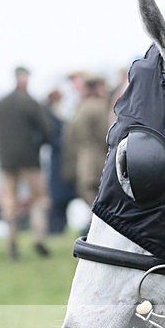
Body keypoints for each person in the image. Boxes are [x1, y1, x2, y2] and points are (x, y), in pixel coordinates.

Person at [0, 65, 52, 259]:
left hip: (6, 160)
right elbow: (47, 131)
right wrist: (38, 145)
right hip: (30, 159)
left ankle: (11, 243)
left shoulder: (0, 104)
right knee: (38, 199)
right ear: (26, 79)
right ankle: (38, 238)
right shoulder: (31, 102)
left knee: (9, 202)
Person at [62, 75, 109, 231]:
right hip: (98, 159)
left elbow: (70, 137)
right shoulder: (99, 106)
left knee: (90, 197)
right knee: (102, 202)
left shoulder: (79, 107)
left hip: (82, 162)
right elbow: (107, 134)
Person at [43, 88, 76, 234]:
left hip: (63, 161)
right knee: (58, 198)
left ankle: (59, 228)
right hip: (58, 161)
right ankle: (55, 229)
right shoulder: (52, 118)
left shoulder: (56, 116)